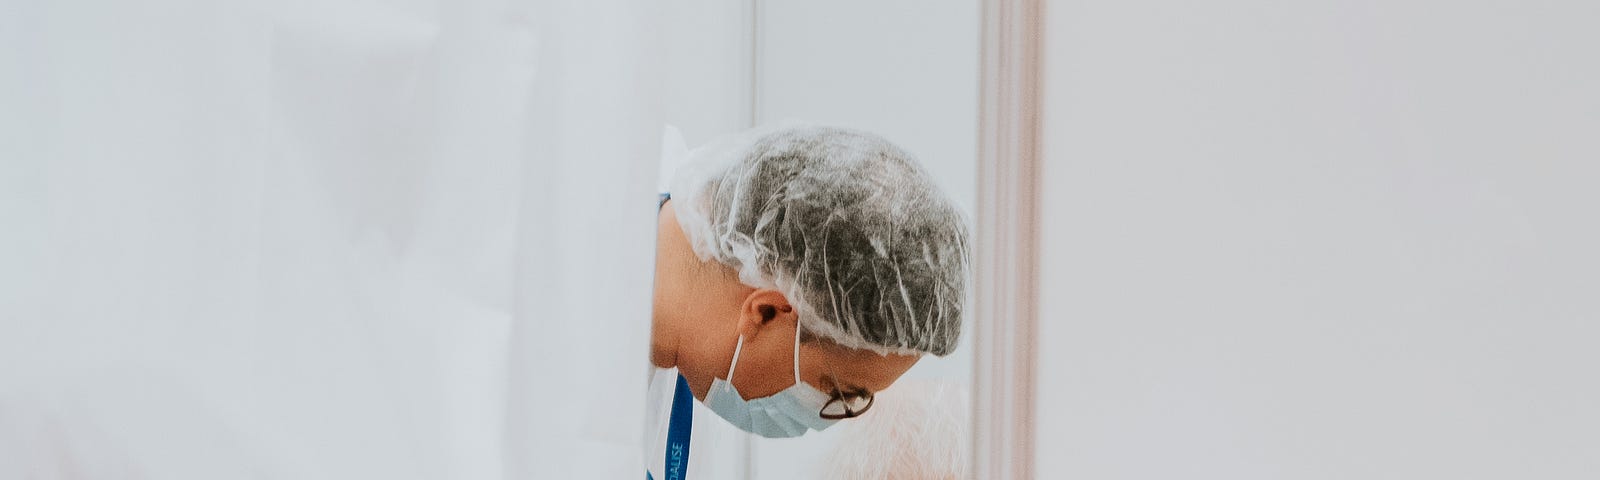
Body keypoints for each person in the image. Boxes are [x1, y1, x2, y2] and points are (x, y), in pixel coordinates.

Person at [645, 124, 970, 479]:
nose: (825, 420)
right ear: (766, 312)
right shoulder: (583, 313)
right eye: (839, 393)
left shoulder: (683, 376)